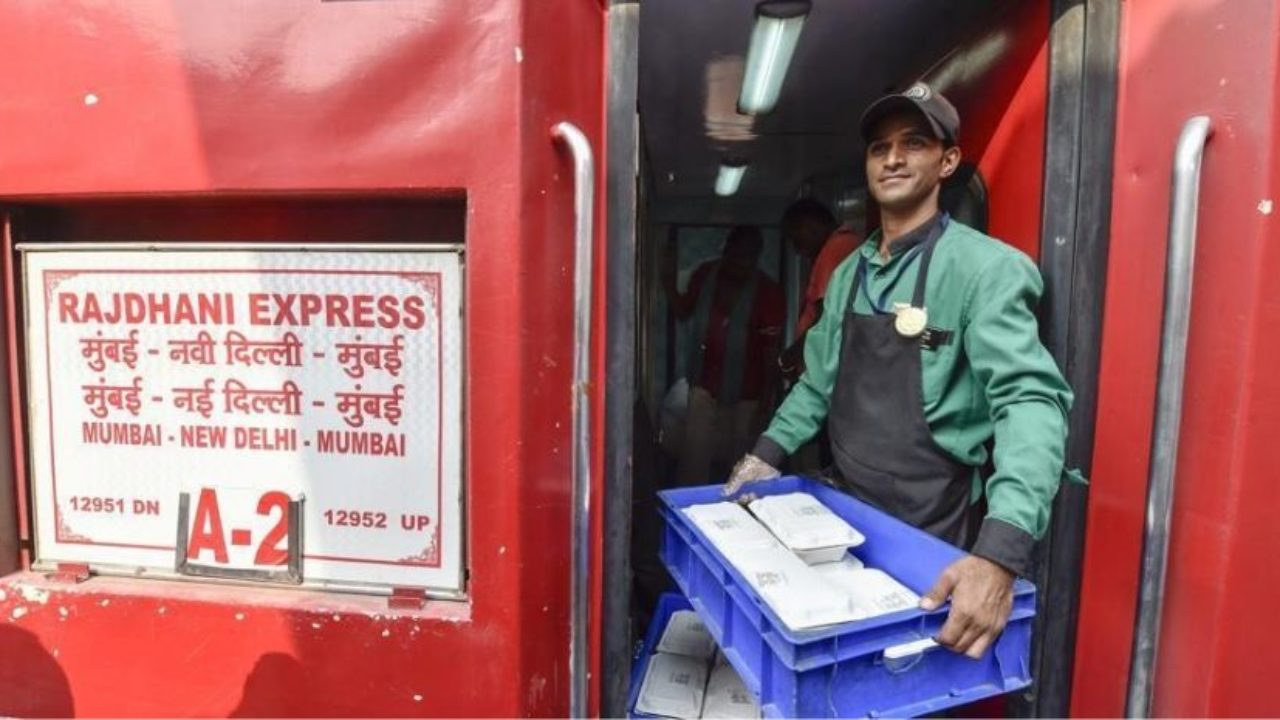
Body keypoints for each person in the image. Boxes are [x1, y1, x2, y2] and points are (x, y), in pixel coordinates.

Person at [725, 82, 1072, 660]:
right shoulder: (849, 275)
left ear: (948, 161)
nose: (892, 158)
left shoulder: (985, 271)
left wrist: (1000, 554)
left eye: (914, 143)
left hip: (930, 536)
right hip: (843, 521)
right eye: (879, 147)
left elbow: (1029, 402)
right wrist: (766, 454)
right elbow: (817, 382)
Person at [664, 225, 784, 486]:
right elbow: (683, 311)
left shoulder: (768, 292)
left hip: (748, 394)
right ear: (726, 252)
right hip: (704, 384)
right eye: (736, 256)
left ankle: (736, 513)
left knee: (740, 463)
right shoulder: (706, 275)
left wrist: (766, 403)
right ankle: (691, 511)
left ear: (756, 258)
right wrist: (667, 279)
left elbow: (771, 352)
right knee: (693, 458)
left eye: (748, 257)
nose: (740, 263)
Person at [777, 198, 861, 385]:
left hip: (827, 374)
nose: (797, 250)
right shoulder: (847, 243)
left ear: (809, 225)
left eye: (796, 238)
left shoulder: (836, 247)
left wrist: (791, 356)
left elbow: (827, 317)